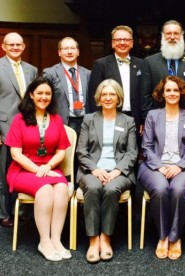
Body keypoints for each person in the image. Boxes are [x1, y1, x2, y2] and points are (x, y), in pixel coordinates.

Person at [4, 76, 72, 261]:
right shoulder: (19, 120)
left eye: (47, 93)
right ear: (31, 95)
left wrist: (48, 166)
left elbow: (61, 152)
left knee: (62, 188)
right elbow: (16, 154)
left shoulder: (56, 119)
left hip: (49, 168)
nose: (44, 97)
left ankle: (56, 239)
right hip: (23, 169)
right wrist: (37, 170)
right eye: (40, 93)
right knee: (45, 190)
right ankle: (44, 241)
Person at [138, 76, 185, 260]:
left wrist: (179, 166)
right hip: (154, 166)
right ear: (162, 94)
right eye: (168, 90)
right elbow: (146, 147)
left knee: (179, 190)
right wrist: (160, 166)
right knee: (160, 189)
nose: (172, 93)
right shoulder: (153, 115)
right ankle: (163, 236)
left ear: (181, 92)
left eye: (175, 90)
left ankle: (175, 237)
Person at [76, 79, 138, 264]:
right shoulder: (89, 119)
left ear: (118, 98)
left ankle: (106, 237)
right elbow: (81, 150)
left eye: (112, 94)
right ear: (99, 98)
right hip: (91, 170)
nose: (108, 98)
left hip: (120, 172)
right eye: (104, 94)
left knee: (111, 189)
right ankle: (93, 239)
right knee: (94, 188)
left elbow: (132, 152)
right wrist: (95, 169)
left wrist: (117, 171)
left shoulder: (128, 121)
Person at [0, 32, 38, 228]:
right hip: (3, 129)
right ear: (3, 47)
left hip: (27, 127)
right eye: (10, 44)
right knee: (1, 173)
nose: (15, 47)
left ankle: (21, 210)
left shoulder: (32, 69)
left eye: (18, 44)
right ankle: (2, 213)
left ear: (23, 47)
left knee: (24, 169)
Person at [141, 20, 185, 122]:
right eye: (168, 33)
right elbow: (145, 96)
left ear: (182, 35)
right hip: (157, 119)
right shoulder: (149, 62)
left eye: (176, 33)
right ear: (162, 36)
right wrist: (152, 117)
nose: (172, 37)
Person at [88, 25, 144, 138]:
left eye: (126, 39)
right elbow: (94, 96)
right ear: (112, 43)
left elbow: (144, 93)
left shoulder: (141, 64)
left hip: (135, 118)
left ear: (132, 43)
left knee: (132, 151)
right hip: (109, 117)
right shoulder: (101, 64)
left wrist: (143, 120)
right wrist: (98, 120)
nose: (122, 43)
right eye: (118, 39)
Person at [43, 37, 91, 137]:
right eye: (65, 48)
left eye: (72, 48)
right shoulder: (50, 73)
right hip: (63, 123)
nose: (69, 52)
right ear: (59, 52)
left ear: (78, 52)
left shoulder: (88, 74)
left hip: (86, 122)